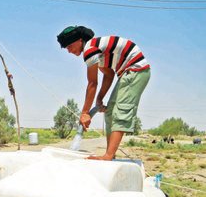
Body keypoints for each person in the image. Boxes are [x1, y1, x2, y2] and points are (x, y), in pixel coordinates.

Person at [57, 25, 150, 161]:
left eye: (70, 46)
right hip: (126, 73)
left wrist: (84, 113)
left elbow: (92, 83)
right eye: (67, 48)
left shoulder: (90, 50)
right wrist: (99, 99)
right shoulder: (97, 51)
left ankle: (108, 156)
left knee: (120, 112)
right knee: (110, 113)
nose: (69, 51)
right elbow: (109, 74)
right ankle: (109, 154)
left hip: (136, 70)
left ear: (80, 40)